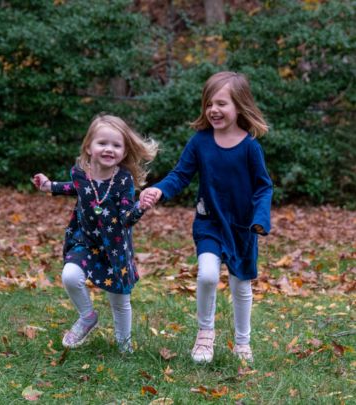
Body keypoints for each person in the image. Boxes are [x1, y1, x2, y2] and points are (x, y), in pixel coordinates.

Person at [140, 71, 272, 363]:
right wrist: (159, 190)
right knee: (208, 275)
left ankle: (242, 343)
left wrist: (260, 218)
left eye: (222, 103)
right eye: (209, 103)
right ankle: (204, 335)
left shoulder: (250, 147)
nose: (214, 109)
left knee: (241, 285)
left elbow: (264, 186)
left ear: (240, 105)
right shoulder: (200, 142)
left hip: (242, 227)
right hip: (209, 222)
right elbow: (180, 174)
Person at [33, 114, 157, 353]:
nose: (109, 149)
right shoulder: (81, 173)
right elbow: (75, 189)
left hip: (115, 248)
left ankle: (124, 346)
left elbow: (125, 219)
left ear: (124, 151)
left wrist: (139, 207)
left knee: (119, 300)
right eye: (102, 143)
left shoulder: (123, 181)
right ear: (89, 147)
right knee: (70, 276)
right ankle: (87, 316)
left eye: (116, 145)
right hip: (85, 242)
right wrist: (49, 186)